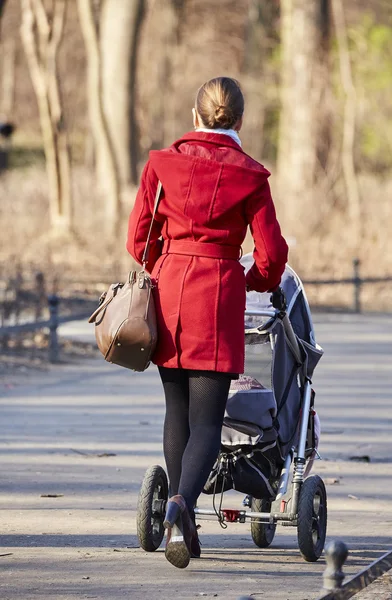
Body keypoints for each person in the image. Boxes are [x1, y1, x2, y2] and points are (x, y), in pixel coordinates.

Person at [127, 77, 288, 569]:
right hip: (217, 294)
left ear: (195, 116)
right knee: (207, 421)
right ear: (239, 121)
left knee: (176, 410)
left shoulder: (161, 163)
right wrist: (255, 281)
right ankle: (180, 507)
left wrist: (165, 261)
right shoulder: (250, 175)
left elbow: (138, 239)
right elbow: (272, 253)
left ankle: (183, 518)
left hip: (170, 288)